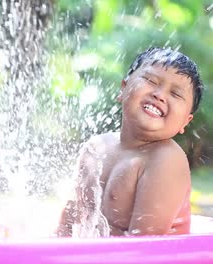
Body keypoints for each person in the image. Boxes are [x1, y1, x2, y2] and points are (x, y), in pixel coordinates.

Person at [57, 47, 204, 237]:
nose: (159, 95)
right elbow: (67, 226)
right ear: (123, 89)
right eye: (151, 81)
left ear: (185, 121)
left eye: (175, 94)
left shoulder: (166, 159)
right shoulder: (96, 148)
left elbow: (145, 247)